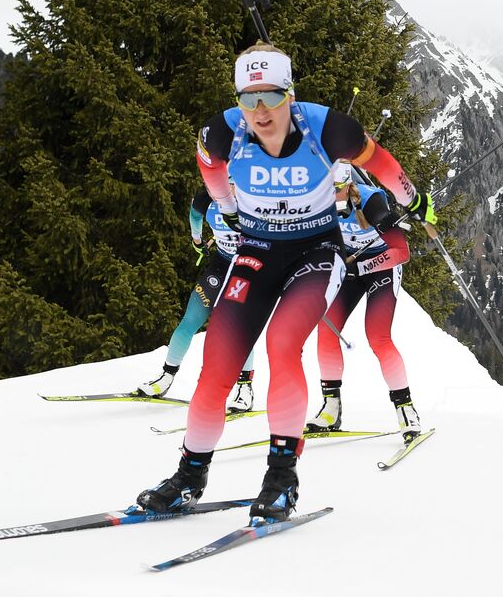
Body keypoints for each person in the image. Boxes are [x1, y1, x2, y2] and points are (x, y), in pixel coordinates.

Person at [135, 43, 434, 525]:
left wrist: (412, 200)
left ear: (290, 95)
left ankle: (281, 478)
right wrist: (226, 207)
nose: (259, 112)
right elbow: (208, 167)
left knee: (282, 343)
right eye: (248, 99)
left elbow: (381, 163)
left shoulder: (328, 128)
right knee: (218, 365)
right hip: (256, 253)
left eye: (270, 97)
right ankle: (190, 475)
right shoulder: (221, 131)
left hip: (316, 252)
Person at [311, 161, 417, 437]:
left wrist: (361, 267)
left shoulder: (372, 203)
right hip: (349, 267)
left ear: (348, 186)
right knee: (326, 330)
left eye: (334, 191)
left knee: (378, 337)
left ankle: (406, 409)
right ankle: (331, 407)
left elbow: (401, 251)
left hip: (381, 266)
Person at [135, 189, 256, 413]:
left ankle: (245, 388)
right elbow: (195, 214)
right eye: (221, 181)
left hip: (246, 268)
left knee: (238, 329)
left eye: (231, 181)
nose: (225, 188)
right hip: (220, 264)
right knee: (190, 320)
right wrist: (197, 240)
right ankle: (166, 377)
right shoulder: (206, 197)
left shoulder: (254, 198)